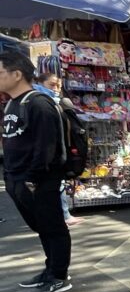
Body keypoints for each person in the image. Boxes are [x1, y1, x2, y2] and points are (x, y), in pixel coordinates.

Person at [0, 50, 74, 292]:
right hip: (17, 178)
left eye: (0, 72)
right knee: (42, 228)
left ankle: (59, 277)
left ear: (17, 74)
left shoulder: (39, 104)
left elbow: (47, 148)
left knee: (53, 228)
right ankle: (50, 269)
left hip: (39, 180)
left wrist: (32, 178)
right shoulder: (12, 102)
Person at [33, 64, 81, 227]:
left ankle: (63, 215)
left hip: (57, 151)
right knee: (54, 185)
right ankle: (61, 216)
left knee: (58, 185)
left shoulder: (55, 101)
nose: (56, 88)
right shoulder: (41, 102)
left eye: (58, 85)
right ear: (41, 83)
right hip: (48, 154)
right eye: (52, 85)